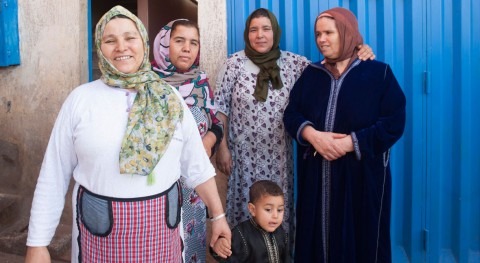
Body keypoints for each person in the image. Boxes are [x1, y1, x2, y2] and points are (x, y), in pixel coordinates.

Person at [25, 6, 230, 263]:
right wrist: (38, 243)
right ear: (101, 48)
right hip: (99, 239)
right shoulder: (80, 100)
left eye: (130, 38)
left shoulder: (170, 98)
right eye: (110, 40)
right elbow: (53, 175)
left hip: (161, 239)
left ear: (143, 43)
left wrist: (219, 216)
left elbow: (197, 165)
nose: (121, 47)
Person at [214, 7, 375, 246]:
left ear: (275, 32)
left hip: (279, 159)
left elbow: (331, 65)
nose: (260, 35)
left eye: (266, 29)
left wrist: (359, 49)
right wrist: (223, 148)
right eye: (254, 29)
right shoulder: (233, 64)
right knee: (245, 211)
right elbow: (220, 108)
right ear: (247, 34)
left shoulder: (294, 64)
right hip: (242, 159)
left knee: (277, 214)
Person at [283, 7, 406, 262]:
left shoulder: (378, 73)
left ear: (347, 34)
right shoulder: (311, 74)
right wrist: (312, 135)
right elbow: (291, 113)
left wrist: (352, 143)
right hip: (317, 178)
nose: (321, 40)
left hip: (361, 179)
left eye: (329, 32)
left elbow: (394, 122)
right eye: (318, 34)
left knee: (362, 242)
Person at [151, 19, 224, 263]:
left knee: (192, 248)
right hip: (159, 187)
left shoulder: (200, 81)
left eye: (194, 43)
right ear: (164, 43)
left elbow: (216, 122)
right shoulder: (147, 84)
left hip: (195, 189)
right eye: (179, 41)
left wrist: (209, 141)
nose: (187, 48)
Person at [212, 180, 290, 263]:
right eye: (268, 209)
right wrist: (218, 246)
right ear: (252, 209)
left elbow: (287, 258)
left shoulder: (280, 232)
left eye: (279, 210)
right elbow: (225, 255)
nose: (275, 216)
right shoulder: (241, 234)